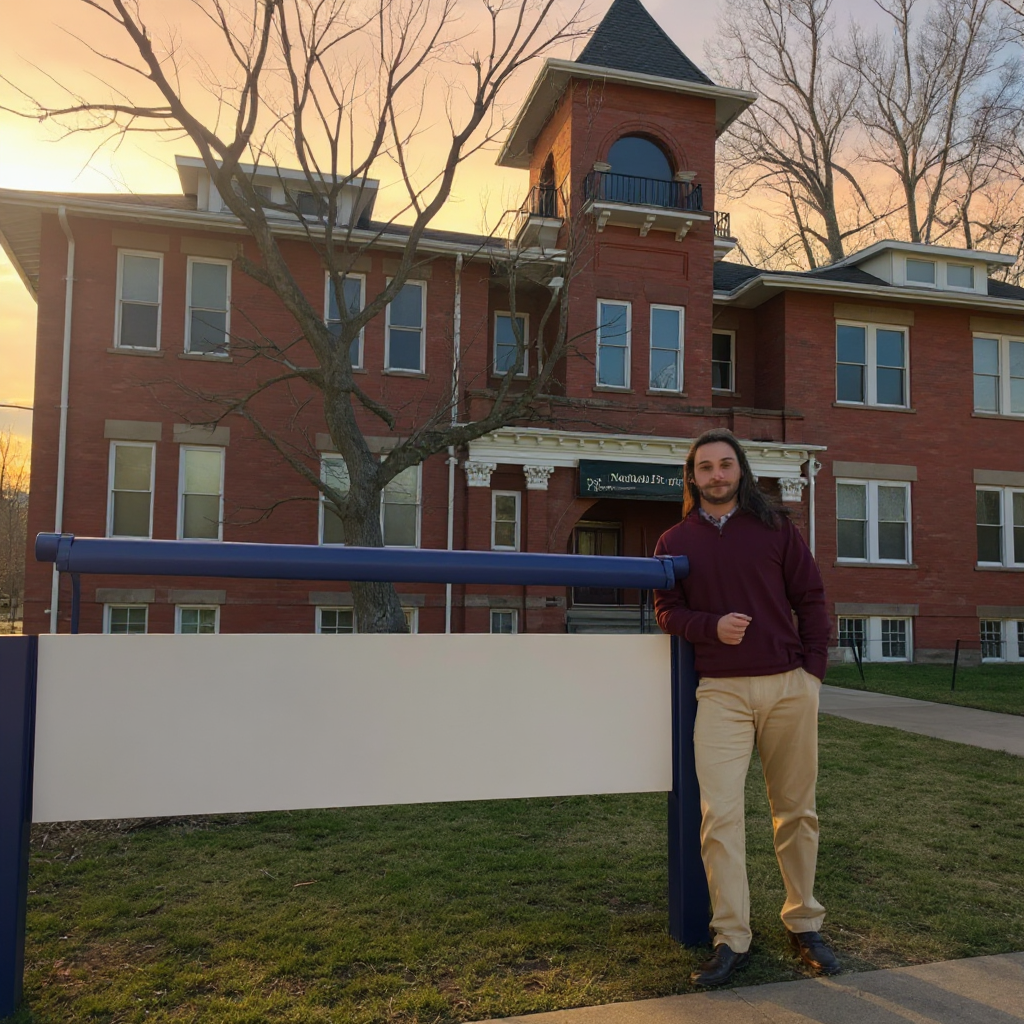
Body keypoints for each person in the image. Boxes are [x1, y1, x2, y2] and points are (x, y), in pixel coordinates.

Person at [654, 428, 839, 987]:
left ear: (741, 470)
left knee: (796, 811)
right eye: (705, 466)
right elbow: (667, 610)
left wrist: (812, 672)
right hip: (721, 694)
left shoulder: (777, 528)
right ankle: (732, 936)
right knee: (720, 816)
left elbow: (811, 597)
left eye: (725, 464)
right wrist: (710, 626)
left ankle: (804, 923)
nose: (716, 474)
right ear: (693, 477)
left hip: (788, 686)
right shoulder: (674, 541)